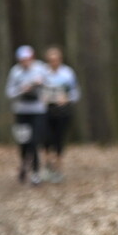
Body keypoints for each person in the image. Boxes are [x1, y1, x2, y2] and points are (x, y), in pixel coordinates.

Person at [5, 45, 49, 186]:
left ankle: (36, 173)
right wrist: (22, 89)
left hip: (38, 111)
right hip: (21, 112)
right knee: (24, 143)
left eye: (27, 59)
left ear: (32, 57)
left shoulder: (41, 68)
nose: (25, 62)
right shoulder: (15, 72)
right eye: (22, 59)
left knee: (34, 142)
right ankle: (24, 164)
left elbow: (50, 85)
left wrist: (40, 84)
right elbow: (9, 92)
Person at [40, 45, 80, 183]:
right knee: (46, 139)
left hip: (63, 111)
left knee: (59, 140)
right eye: (50, 60)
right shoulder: (43, 73)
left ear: (60, 59)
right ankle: (47, 166)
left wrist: (66, 99)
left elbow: (76, 93)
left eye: (56, 59)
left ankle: (58, 169)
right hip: (46, 111)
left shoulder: (67, 73)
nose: (53, 62)